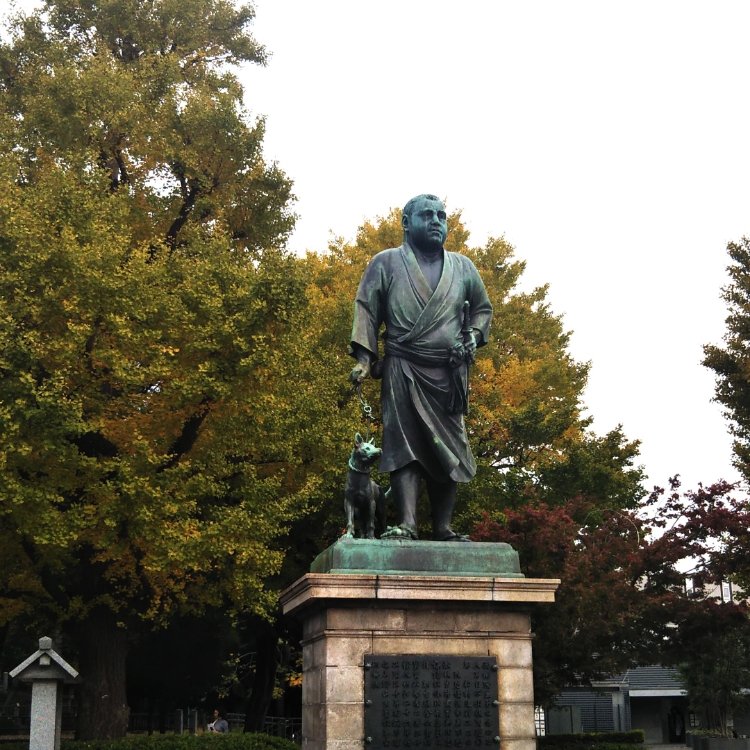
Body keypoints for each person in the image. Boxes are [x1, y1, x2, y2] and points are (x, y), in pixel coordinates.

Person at [349, 194, 492, 541]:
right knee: (403, 444)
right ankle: (408, 523)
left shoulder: (464, 267)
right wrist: (365, 360)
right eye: (427, 215)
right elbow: (367, 308)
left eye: (441, 215)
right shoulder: (386, 263)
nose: (436, 221)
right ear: (406, 223)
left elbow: (482, 310)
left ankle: (443, 527)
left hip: (448, 370)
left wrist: (473, 336)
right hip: (402, 365)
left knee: (450, 447)